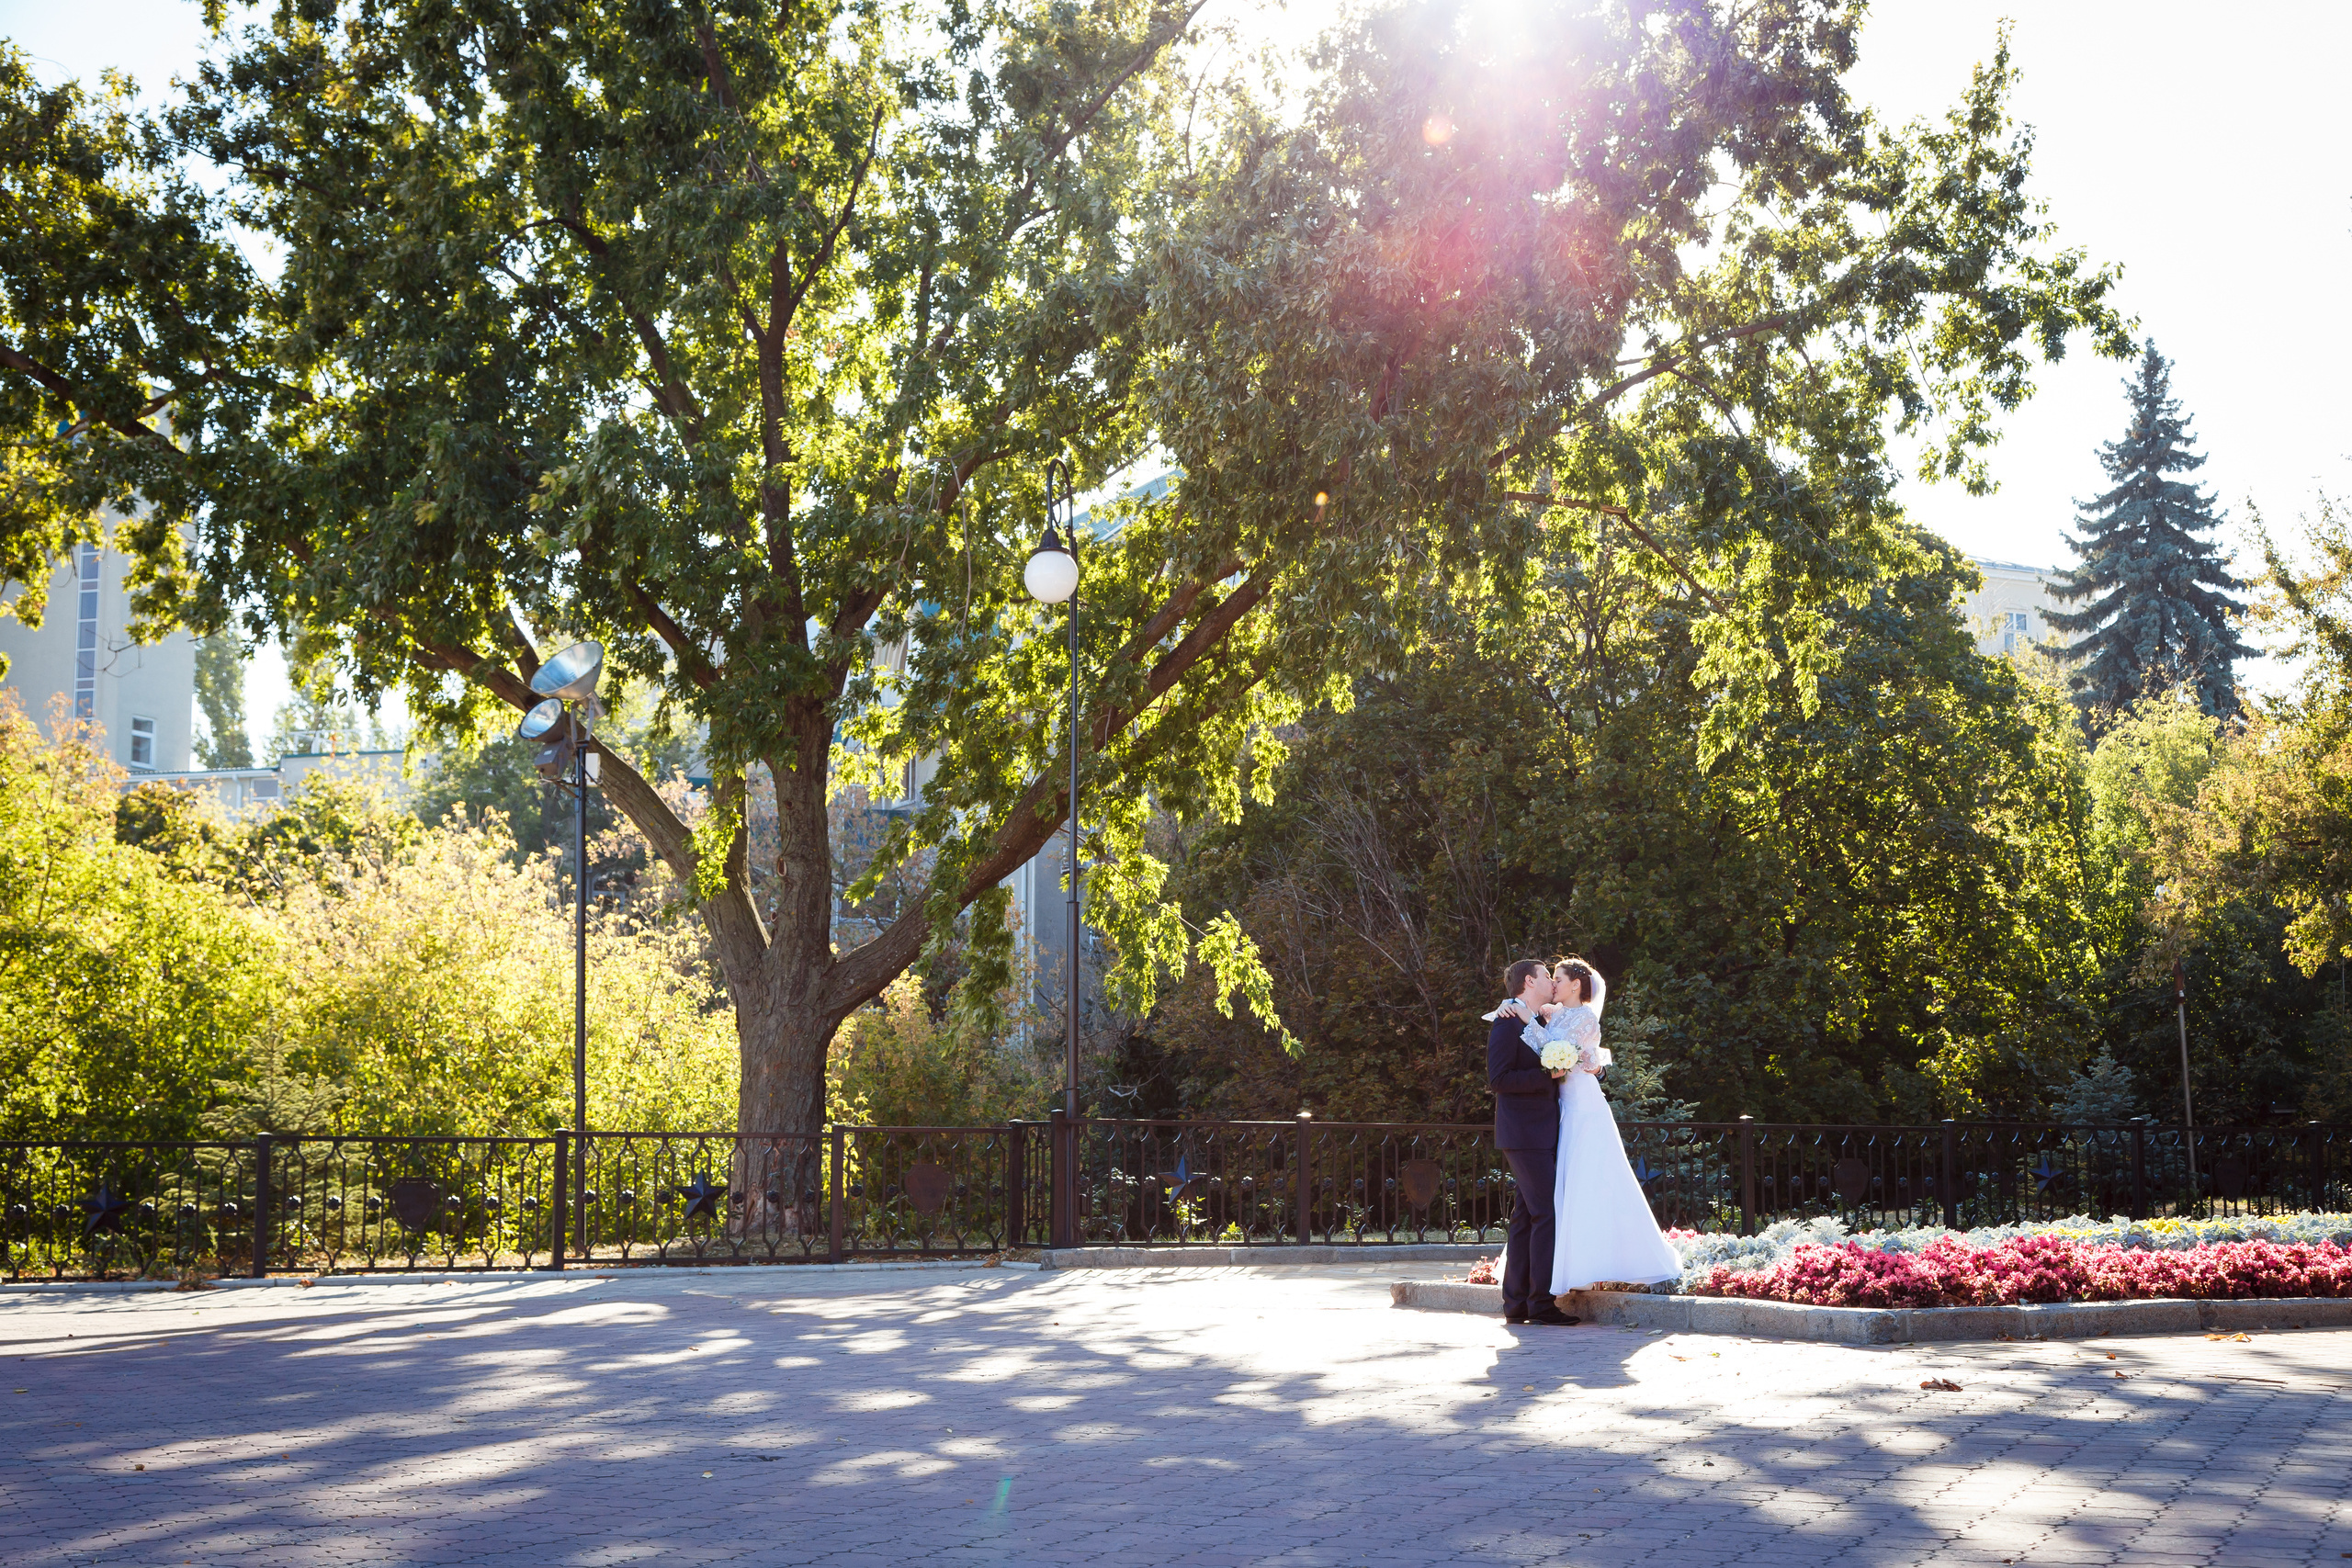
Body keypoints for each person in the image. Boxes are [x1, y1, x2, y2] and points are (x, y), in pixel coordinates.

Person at [1505, 956, 1683, 1297]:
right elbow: (1539, 1029)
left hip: (1583, 1107)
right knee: (1566, 1188)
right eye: (1551, 978)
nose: (1553, 984)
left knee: (1593, 1179)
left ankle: (1607, 1260)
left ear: (1575, 985)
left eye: (1558, 978)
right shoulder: (1554, 1014)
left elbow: (1552, 1052)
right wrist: (1512, 1007)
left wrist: (1528, 1020)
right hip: (1559, 1108)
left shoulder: (1585, 1018)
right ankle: (1565, 1264)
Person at [1484, 959, 1577, 1325]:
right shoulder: (1506, 1022)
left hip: (1540, 1133)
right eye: (1546, 976)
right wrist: (1545, 1074)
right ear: (1528, 980)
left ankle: (1517, 1304)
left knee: (1525, 1217)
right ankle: (1540, 1302)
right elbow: (1499, 1078)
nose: (1553, 983)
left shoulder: (1536, 1022)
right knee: (1546, 1214)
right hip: (1523, 1134)